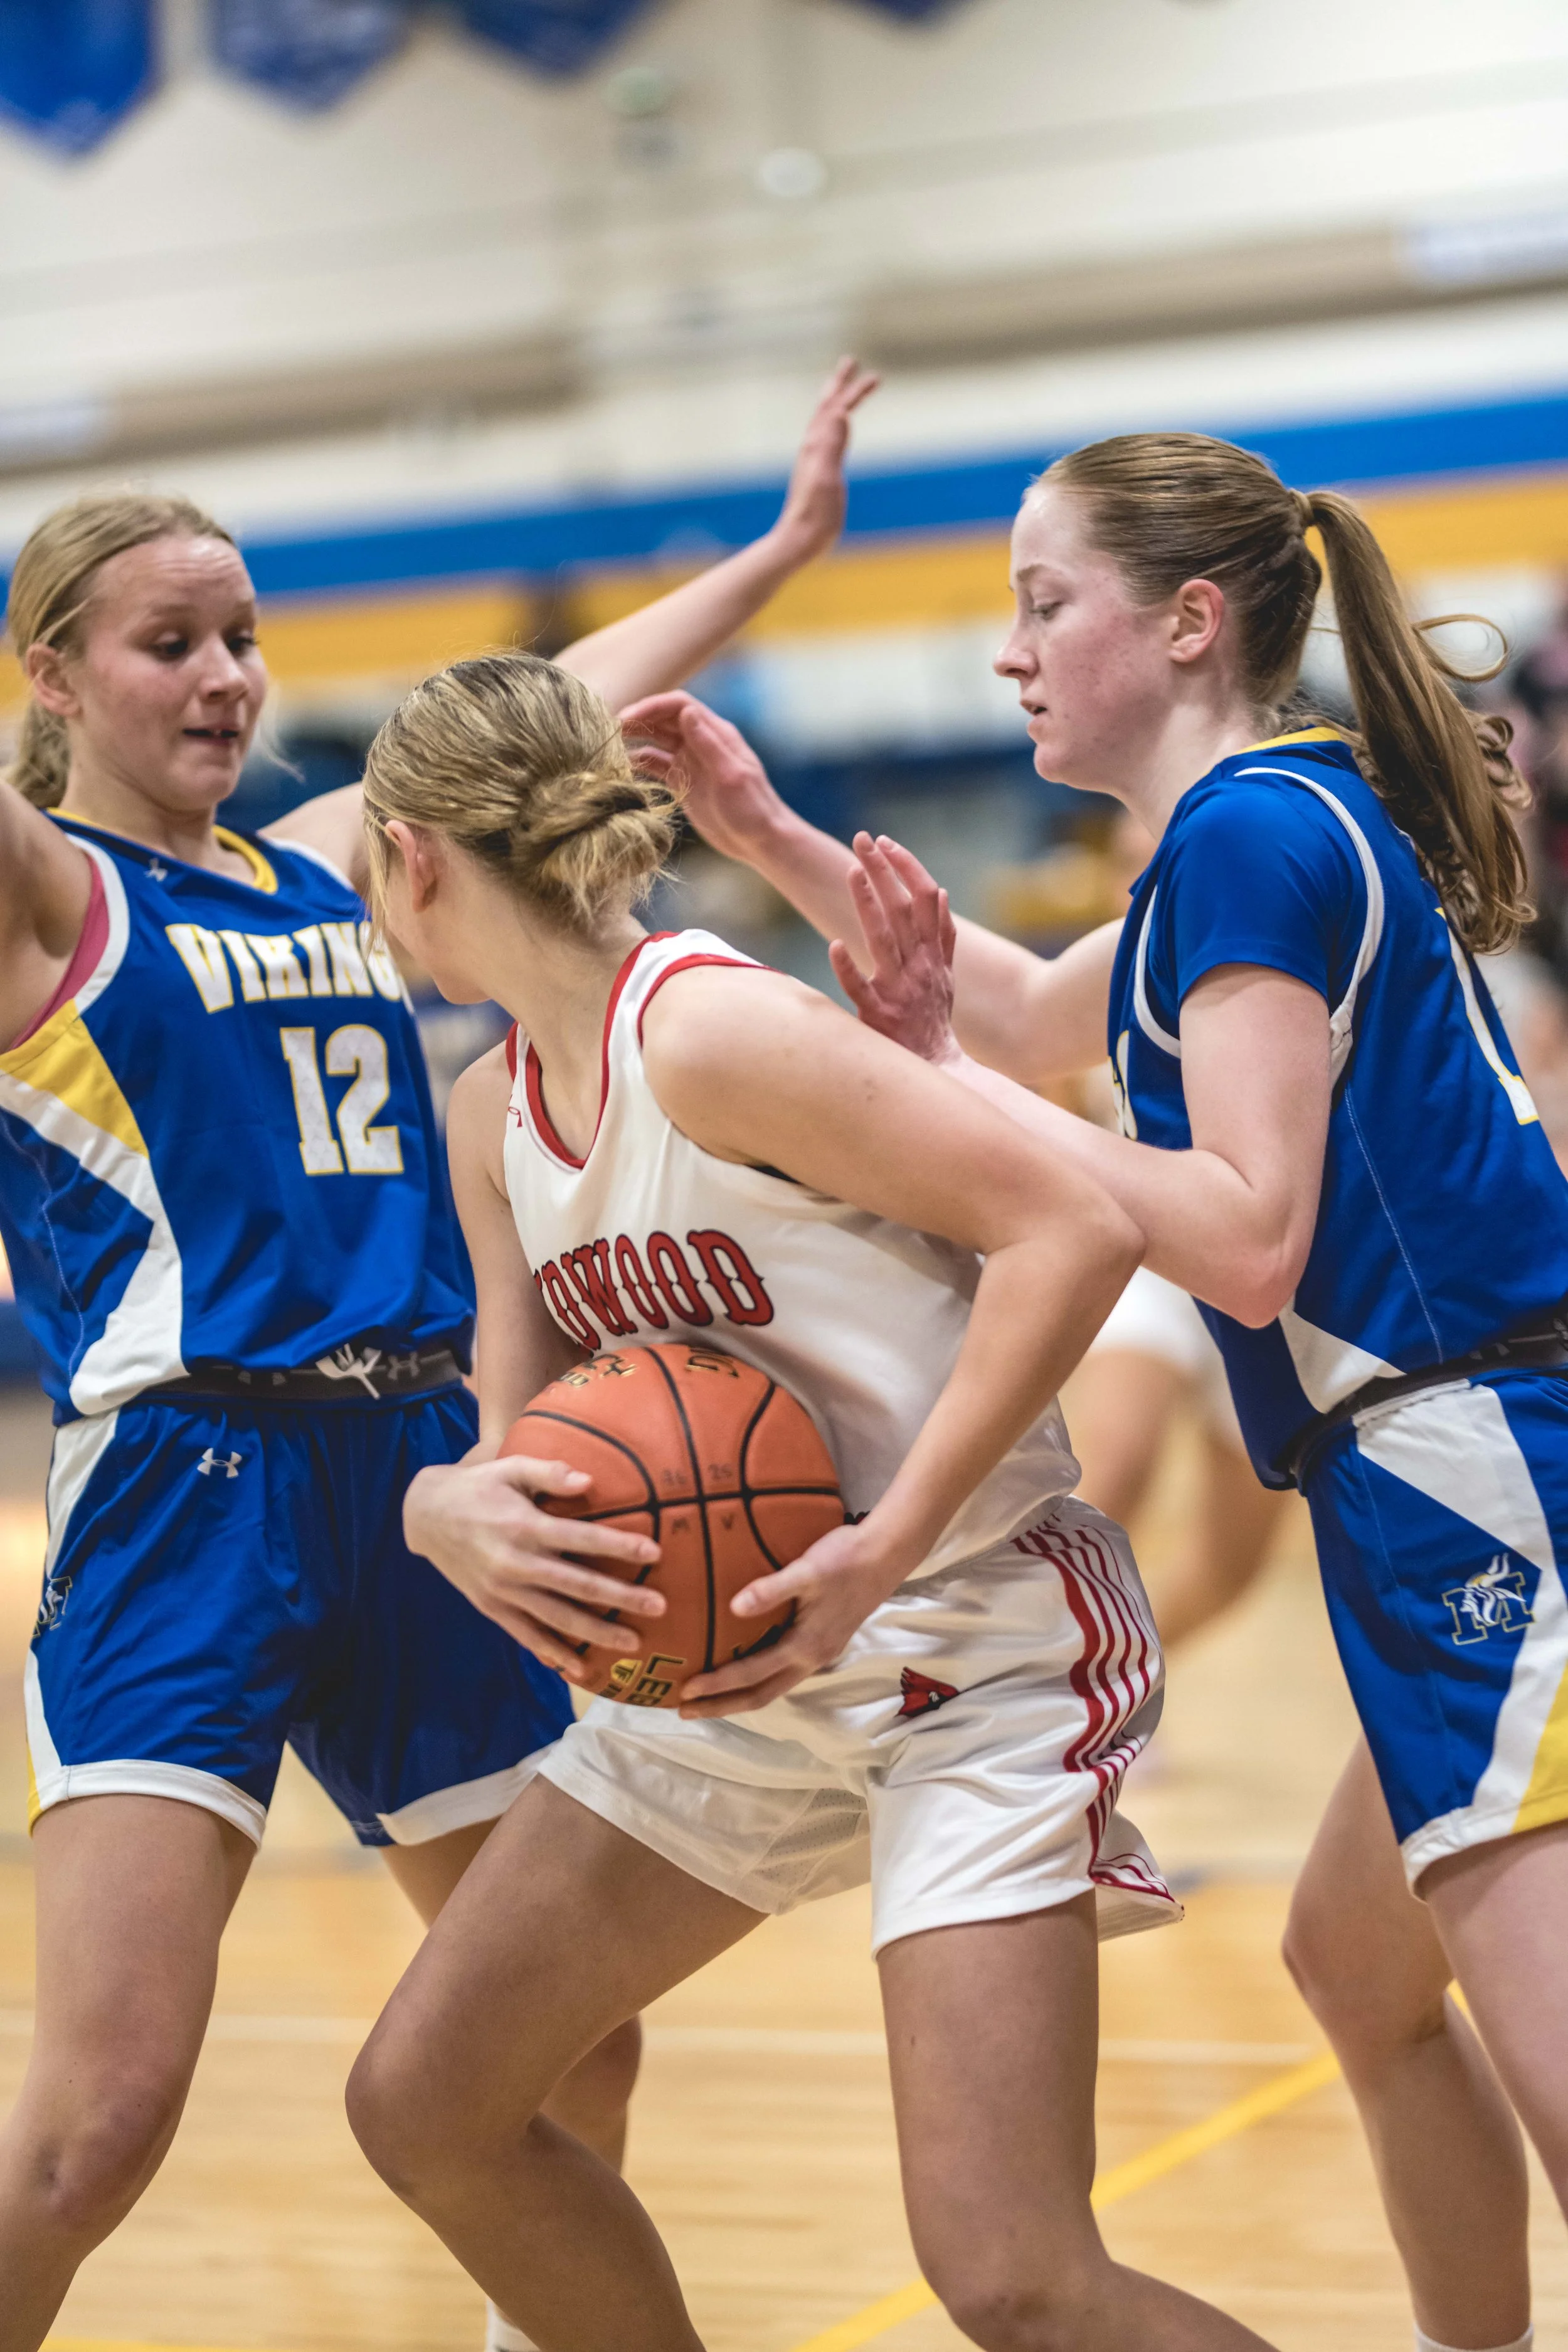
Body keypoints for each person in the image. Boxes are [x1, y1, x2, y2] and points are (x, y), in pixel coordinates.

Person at [633, 429, 1568, 2352]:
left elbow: (1238, 1231)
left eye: (1042, 599)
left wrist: (924, 1101)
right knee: (1352, 1969)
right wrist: (771, 841)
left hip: (1487, 1466)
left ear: (1187, 618)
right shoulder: (1252, 827)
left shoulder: (1247, 833)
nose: (1012, 649)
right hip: (1455, 1464)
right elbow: (1038, 1024)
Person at [0, 358, 877, 2352]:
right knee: (99, 2126)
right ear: (50, 675)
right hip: (185, 1499)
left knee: (570, 2055)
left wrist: (776, 551)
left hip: (436, 1485)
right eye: (168, 646)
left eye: (241, 637)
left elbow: (558, 702)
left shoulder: (333, 858)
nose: (224, 676)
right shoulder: (48, 889)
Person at [337, 648, 1286, 2352]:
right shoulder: (493, 1113)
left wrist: (883, 1542)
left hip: (962, 1640)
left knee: (1012, 2273)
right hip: (732, 1690)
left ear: (411, 858)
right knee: (427, 2102)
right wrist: (442, 1514)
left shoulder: (712, 1032)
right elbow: (517, 1433)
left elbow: (1070, 1230)